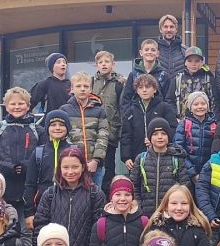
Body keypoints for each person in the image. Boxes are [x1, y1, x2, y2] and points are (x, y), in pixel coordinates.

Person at [0, 87, 43, 220]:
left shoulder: (38, 130)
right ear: (6, 107)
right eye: (13, 104)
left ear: (28, 106)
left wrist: (28, 166)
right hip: (3, 188)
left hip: (30, 188)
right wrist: (6, 167)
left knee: (29, 229)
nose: (17, 107)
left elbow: (44, 155)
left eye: (21, 103)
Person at [33, 146, 105, 246]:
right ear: (59, 169)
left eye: (75, 167)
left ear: (83, 167)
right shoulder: (50, 194)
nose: (70, 172)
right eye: (65, 167)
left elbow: (98, 233)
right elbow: (39, 229)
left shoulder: (95, 194)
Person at [128, 118, 190, 217]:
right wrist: (139, 207)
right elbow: (134, 186)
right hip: (145, 215)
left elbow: (185, 187)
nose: (160, 137)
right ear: (149, 138)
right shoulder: (141, 159)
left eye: (163, 133)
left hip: (170, 215)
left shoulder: (177, 159)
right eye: (155, 134)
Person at [23, 109, 72, 232]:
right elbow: (30, 184)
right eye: (53, 125)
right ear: (47, 128)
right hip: (42, 207)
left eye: (61, 125)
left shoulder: (74, 151)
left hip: (69, 206)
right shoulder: (39, 152)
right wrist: (29, 213)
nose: (57, 128)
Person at [119, 74, 178, 172]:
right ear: (137, 91)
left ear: (155, 89)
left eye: (148, 87)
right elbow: (126, 135)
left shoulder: (165, 107)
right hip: (137, 156)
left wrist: (158, 141)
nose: (144, 90)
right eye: (140, 87)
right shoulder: (130, 111)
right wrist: (126, 157)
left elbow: (173, 129)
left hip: (162, 156)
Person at [62, 71, 110, 188]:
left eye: (86, 86)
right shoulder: (64, 110)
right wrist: (75, 159)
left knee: (94, 195)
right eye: (78, 86)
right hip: (73, 164)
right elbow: (64, 135)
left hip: (95, 165)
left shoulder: (99, 110)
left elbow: (103, 135)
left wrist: (96, 160)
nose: (82, 89)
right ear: (72, 89)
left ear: (91, 88)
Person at [91, 50, 125, 195]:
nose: (104, 65)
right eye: (101, 62)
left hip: (111, 132)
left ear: (113, 64)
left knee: (109, 166)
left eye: (107, 62)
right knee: (95, 165)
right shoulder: (91, 82)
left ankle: (107, 196)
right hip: (94, 133)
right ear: (96, 65)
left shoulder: (119, 83)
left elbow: (122, 108)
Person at [174, 91, 217, 186]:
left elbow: (216, 151)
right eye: (196, 104)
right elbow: (179, 150)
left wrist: (205, 172)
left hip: (208, 173)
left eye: (203, 103)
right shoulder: (183, 124)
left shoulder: (214, 125)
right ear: (190, 108)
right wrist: (193, 173)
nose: (200, 107)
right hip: (186, 174)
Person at [166, 47, 220, 121]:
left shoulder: (209, 79)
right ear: (185, 62)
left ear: (202, 62)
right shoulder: (177, 79)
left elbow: (216, 102)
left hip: (205, 123)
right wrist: (175, 118)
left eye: (197, 61)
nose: (193, 64)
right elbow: (169, 100)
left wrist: (214, 121)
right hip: (182, 122)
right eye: (190, 61)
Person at [120, 39, 170, 113]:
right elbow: (125, 99)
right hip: (136, 118)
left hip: (158, 118)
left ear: (157, 53)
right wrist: (129, 116)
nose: (149, 52)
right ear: (141, 53)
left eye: (153, 50)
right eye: (146, 50)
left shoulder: (163, 75)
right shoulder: (133, 75)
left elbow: (168, 99)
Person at [155, 14, 187, 82]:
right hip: (159, 91)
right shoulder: (153, 51)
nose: (169, 30)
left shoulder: (185, 51)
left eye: (171, 27)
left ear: (176, 29)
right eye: (165, 27)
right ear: (160, 29)